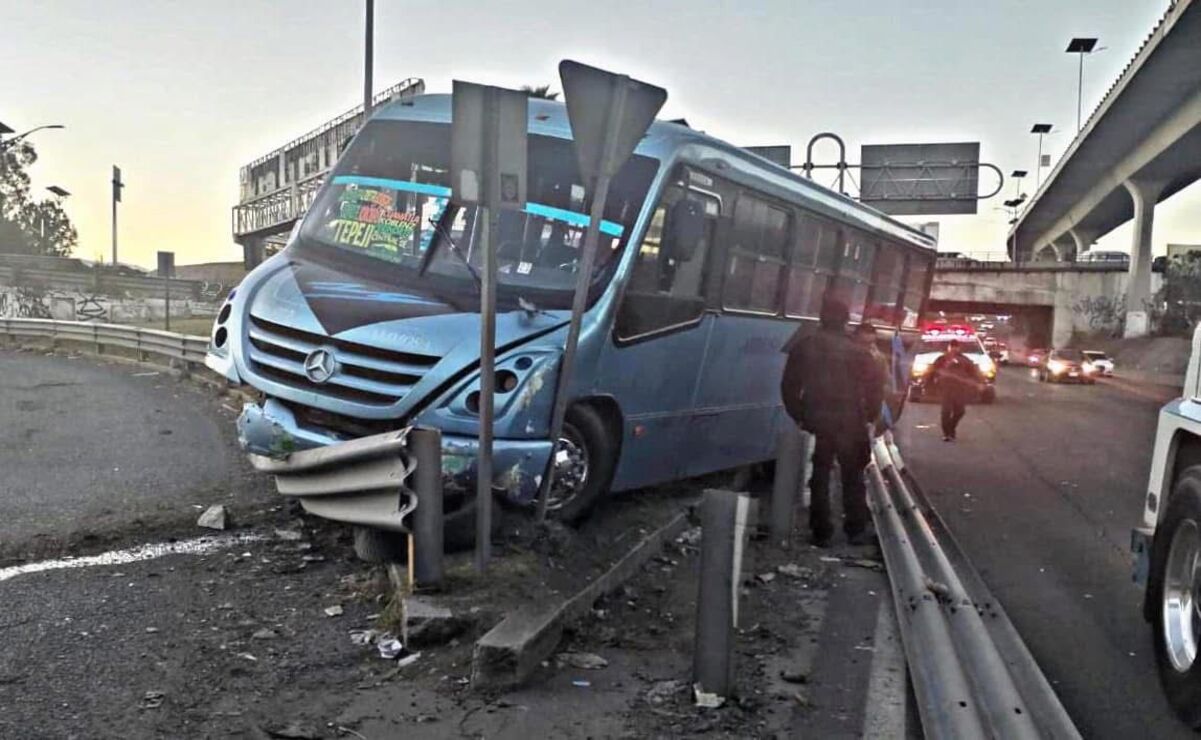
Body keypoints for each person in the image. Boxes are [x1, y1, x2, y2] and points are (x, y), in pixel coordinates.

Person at [781, 296, 885, 547]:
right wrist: (869, 417)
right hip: (851, 422)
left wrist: (801, 416)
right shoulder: (859, 353)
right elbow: (875, 391)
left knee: (819, 475)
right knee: (853, 476)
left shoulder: (804, 347)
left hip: (818, 420)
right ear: (846, 321)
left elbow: (789, 387)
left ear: (821, 318)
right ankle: (856, 529)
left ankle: (821, 531)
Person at [930, 339, 983, 442]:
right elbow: (933, 371)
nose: (954, 349)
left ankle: (951, 427)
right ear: (948, 347)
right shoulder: (942, 359)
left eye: (956, 347)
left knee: (960, 411)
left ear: (959, 348)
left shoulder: (965, 360)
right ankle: (947, 434)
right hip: (946, 389)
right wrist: (932, 383)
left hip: (960, 389)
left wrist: (978, 383)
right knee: (946, 411)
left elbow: (973, 373)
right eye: (952, 346)